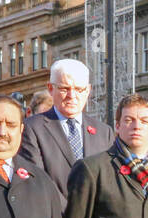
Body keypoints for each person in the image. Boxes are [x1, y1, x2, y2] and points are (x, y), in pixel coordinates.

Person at [17, 59, 115, 204]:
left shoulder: (103, 132)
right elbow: (37, 180)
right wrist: (72, 217)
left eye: (79, 89)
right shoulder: (32, 128)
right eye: (64, 88)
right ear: (51, 88)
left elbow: (110, 183)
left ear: (88, 90)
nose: (72, 96)